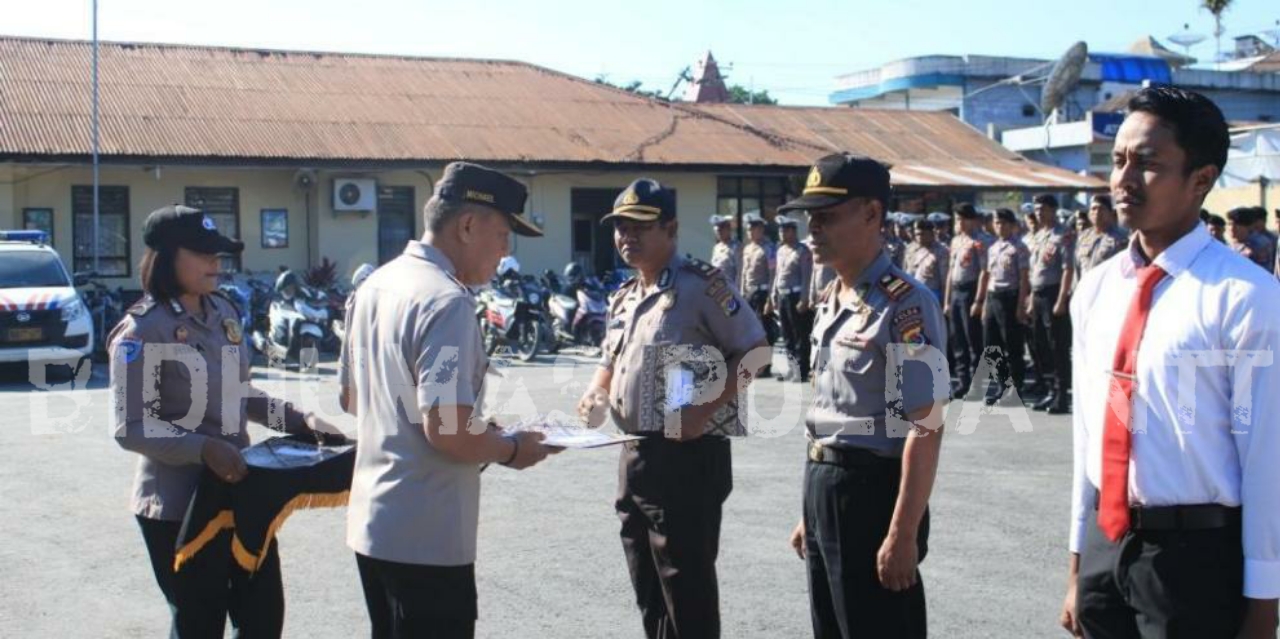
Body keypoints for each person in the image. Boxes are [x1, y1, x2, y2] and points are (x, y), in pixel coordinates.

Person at [1061, 86, 1280, 639]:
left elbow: (1267, 463)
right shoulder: (1097, 289)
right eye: (1118, 161)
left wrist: (1264, 605)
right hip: (1106, 552)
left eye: (1149, 164)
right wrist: (1078, 565)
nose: (1124, 180)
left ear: (1201, 180)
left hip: (1195, 560)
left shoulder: (1244, 297)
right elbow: (1089, 438)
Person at [340, 162, 558, 639]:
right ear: (466, 225)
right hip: (427, 537)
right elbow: (448, 430)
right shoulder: (445, 301)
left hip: (374, 525)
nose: (505, 252)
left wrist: (476, 427)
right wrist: (512, 448)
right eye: (502, 235)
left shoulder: (374, 285)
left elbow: (353, 398)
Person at [110, 205, 341, 638]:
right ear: (166, 257)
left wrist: (299, 420)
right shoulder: (143, 331)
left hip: (242, 493)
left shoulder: (224, 315)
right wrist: (203, 448)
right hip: (179, 506)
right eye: (203, 254)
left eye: (218, 254)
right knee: (200, 624)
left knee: (263, 618)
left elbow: (241, 395)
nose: (216, 264)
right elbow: (131, 427)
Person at [577, 178, 767, 639]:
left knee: (687, 592)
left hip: (687, 457)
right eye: (620, 227)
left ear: (672, 228)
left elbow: (756, 353)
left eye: (640, 226)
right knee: (647, 587)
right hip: (635, 452)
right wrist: (596, 392)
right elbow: (610, 360)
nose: (627, 237)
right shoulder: (626, 294)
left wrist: (705, 407)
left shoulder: (701, 286)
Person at [782, 153, 949, 639]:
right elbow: (835, 413)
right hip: (825, 484)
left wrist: (902, 532)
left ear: (872, 214)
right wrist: (810, 512)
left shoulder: (904, 304)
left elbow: (925, 425)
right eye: (810, 218)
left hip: (873, 494)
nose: (813, 229)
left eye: (827, 217)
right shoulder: (835, 297)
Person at [974, 208, 1030, 406]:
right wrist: (984, 304)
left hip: (1011, 297)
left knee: (1013, 346)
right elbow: (989, 276)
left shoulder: (1019, 247)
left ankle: (1015, 390)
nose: (1000, 226)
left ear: (1012, 225)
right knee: (992, 345)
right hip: (993, 296)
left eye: (1004, 223)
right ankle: (1001, 386)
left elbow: (1024, 278)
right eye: (997, 223)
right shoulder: (993, 247)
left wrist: (1021, 305)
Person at [1026, 193, 1075, 414]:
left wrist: (1062, 299)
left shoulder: (1063, 235)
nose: (1039, 212)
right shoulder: (1038, 235)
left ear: (1053, 210)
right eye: (1036, 209)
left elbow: (1067, 269)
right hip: (1037, 294)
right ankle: (1049, 390)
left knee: (1058, 346)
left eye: (1043, 208)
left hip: (1053, 294)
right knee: (1040, 345)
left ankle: (1061, 394)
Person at [943, 203, 991, 399]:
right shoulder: (956, 241)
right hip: (955, 290)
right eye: (957, 219)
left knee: (973, 339)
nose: (960, 223)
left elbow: (984, 272)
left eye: (963, 219)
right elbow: (950, 272)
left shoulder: (980, 241)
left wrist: (978, 300)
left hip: (970, 291)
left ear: (972, 220)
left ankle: (977, 384)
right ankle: (963, 381)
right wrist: (947, 300)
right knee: (957, 338)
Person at [772, 214, 814, 382]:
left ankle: (802, 370)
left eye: (785, 230)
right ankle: (791, 368)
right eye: (780, 230)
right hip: (783, 296)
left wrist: (804, 299)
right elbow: (777, 274)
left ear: (793, 231)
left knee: (799, 335)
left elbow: (807, 276)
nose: (781, 233)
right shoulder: (781, 250)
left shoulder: (802, 250)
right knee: (787, 335)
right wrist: (773, 294)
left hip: (796, 296)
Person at [741, 212, 776, 376]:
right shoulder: (747, 248)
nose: (749, 232)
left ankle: (765, 367)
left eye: (751, 229)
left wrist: (770, 297)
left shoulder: (768, 248)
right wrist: (742, 292)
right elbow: (744, 272)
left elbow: (772, 274)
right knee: (751, 331)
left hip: (762, 293)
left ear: (760, 229)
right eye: (747, 229)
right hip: (750, 293)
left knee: (764, 331)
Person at [1073, 195, 1127, 289]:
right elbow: (1077, 266)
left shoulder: (1120, 239)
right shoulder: (1083, 237)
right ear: (1089, 214)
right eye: (1093, 209)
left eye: (1101, 209)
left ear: (1110, 213)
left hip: (1106, 291)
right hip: (1084, 289)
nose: (1097, 212)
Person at [904, 219, 949, 303]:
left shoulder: (941, 251)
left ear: (931, 234)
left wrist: (945, 301)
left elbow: (944, 280)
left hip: (931, 294)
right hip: (911, 295)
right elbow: (905, 272)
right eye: (917, 234)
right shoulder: (910, 249)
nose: (919, 237)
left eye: (922, 234)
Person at [1226, 206, 1276, 273]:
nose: (1232, 228)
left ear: (1249, 226)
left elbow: (1262, 272)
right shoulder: (1231, 244)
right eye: (1229, 224)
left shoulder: (1259, 244)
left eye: (1237, 225)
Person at [709, 214, 742, 293]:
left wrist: (737, 292)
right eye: (717, 231)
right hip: (717, 289)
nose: (718, 233)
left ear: (728, 229)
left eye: (721, 230)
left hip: (731, 289)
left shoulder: (736, 246)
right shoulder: (716, 247)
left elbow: (740, 272)